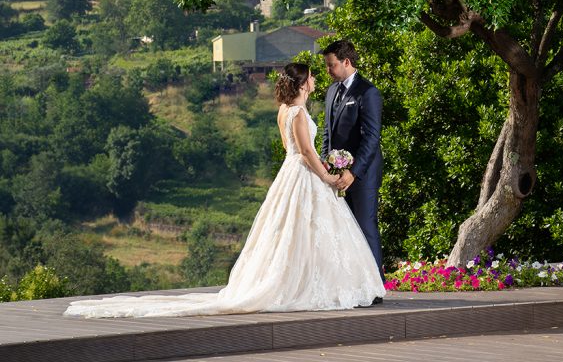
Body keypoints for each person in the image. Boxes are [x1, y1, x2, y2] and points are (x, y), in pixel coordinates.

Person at [64, 63, 384, 318]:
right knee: (308, 230)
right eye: (312, 77)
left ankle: (312, 280)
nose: (316, 81)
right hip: (303, 175)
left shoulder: (283, 111)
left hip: (291, 174)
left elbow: (290, 149)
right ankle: (311, 285)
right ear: (302, 84)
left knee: (294, 232)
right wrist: (328, 177)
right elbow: (305, 153)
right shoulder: (298, 113)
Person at [321, 39, 384, 283]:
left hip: (363, 175)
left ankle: (375, 285)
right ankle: (352, 284)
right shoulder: (331, 92)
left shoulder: (368, 92)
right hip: (336, 176)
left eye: (331, 65)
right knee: (342, 231)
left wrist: (353, 172)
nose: (328, 70)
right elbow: (328, 133)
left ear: (346, 62)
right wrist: (328, 165)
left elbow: (371, 137)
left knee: (365, 227)